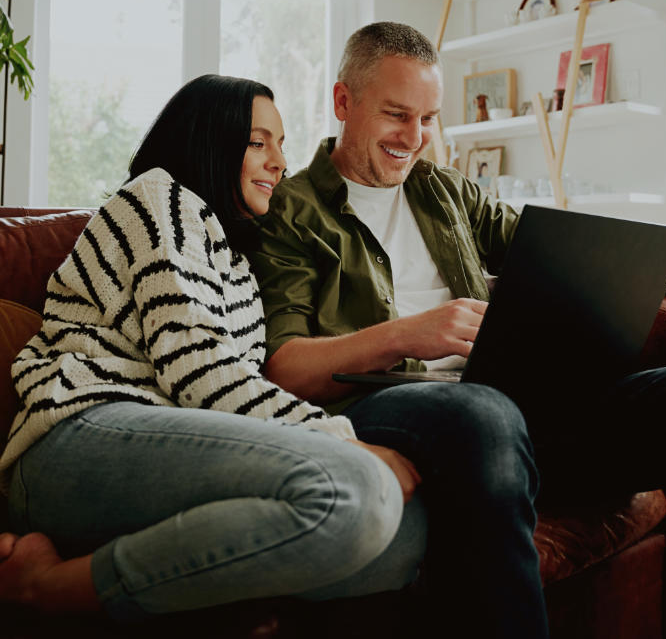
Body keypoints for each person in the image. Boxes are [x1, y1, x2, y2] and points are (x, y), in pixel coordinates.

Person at [252, 22, 666, 639]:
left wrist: (620, 277)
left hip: (514, 410)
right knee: (482, 413)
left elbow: (548, 253)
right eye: (397, 115)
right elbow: (285, 367)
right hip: (396, 408)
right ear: (344, 102)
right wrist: (410, 334)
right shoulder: (289, 213)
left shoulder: (445, 189)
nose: (415, 138)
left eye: (428, 118)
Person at [0, 74, 425, 625]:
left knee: (404, 535)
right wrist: (338, 439)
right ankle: (54, 586)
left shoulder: (234, 261)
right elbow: (196, 369)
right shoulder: (159, 197)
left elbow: (225, 389)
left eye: (281, 144)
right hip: (81, 434)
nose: (279, 162)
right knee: (357, 489)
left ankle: (197, 591)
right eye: (258, 142)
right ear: (207, 139)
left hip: (173, 452)